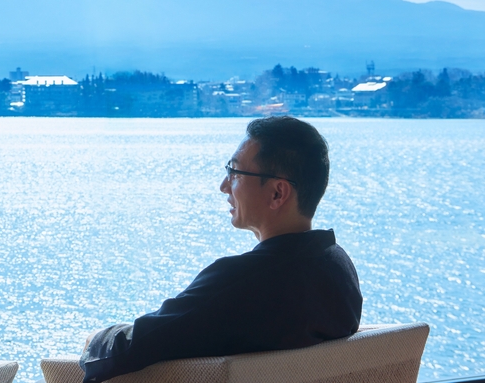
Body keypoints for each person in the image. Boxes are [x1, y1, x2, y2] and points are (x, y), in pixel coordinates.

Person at [80, 116, 362, 383]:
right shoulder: (338, 268)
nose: (223, 186)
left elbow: (132, 349)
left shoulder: (245, 283)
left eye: (235, 172)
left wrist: (95, 340)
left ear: (278, 193)